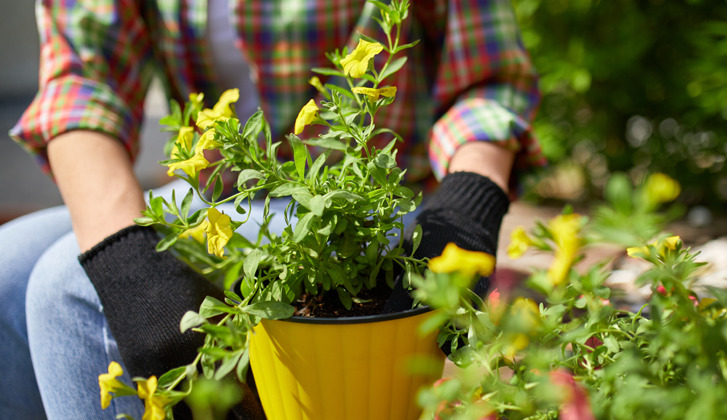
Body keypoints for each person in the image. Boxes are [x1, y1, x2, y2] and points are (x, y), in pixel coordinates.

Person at [0, 0, 544, 418]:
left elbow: (489, 78)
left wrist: (466, 212)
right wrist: (128, 264)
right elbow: (82, 82)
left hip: (366, 205)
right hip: (223, 195)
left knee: (63, 286)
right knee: (7, 271)